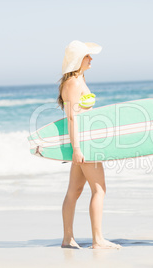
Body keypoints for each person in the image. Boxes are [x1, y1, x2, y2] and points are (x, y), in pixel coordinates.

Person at [57, 40, 120, 249]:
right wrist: (76, 149)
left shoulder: (79, 79)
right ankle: (98, 239)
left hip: (84, 142)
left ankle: (68, 239)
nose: (91, 58)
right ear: (78, 60)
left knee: (74, 191)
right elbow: (72, 118)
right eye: (87, 56)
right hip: (84, 144)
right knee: (99, 190)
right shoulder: (73, 84)